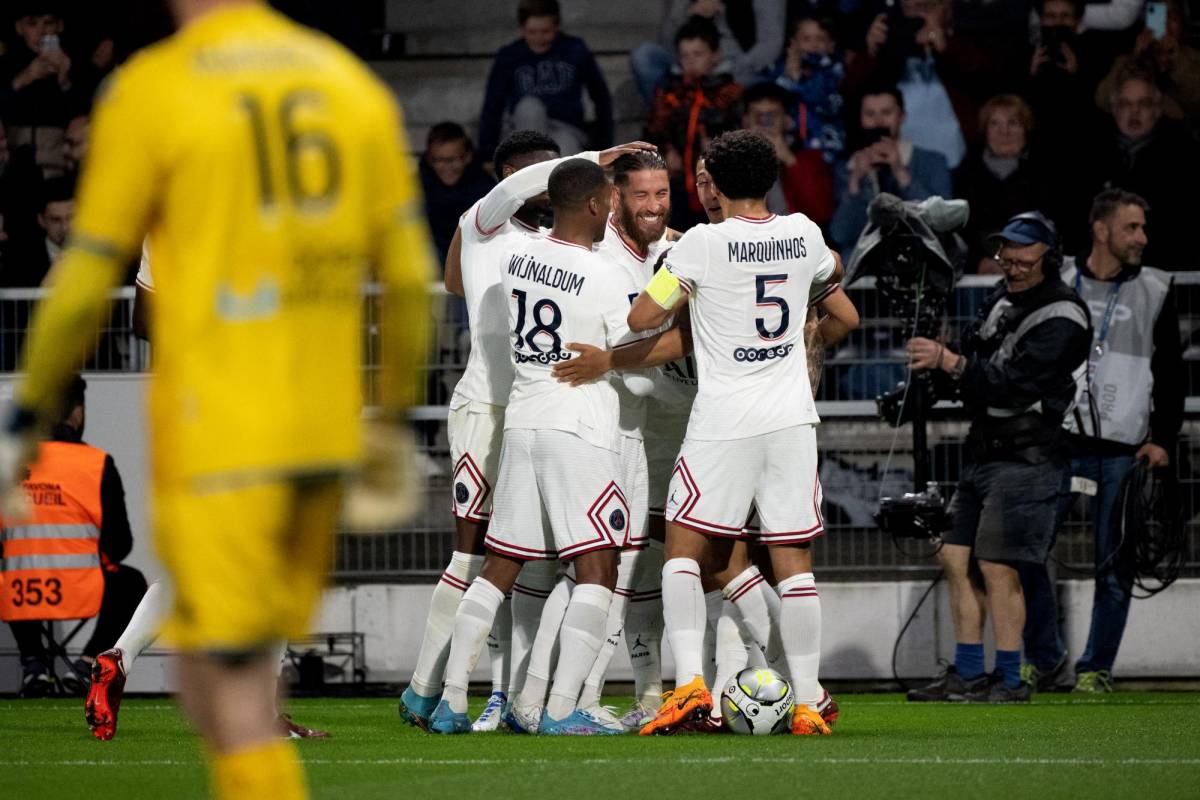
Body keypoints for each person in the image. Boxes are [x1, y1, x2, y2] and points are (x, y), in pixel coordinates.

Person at [0, 4, 433, 800]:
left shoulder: (156, 90)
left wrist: (26, 414)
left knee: (219, 687)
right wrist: (392, 416)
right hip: (319, 414)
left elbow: (92, 272)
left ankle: (164, 683)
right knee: (239, 631)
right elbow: (408, 282)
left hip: (219, 416)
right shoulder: (346, 84)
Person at [399, 134, 652, 733]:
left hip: (521, 418)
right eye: (610, 198)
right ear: (595, 205)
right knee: (597, 567)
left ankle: (453, 699)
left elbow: (465, 281)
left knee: (499, 564)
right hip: (572, 424)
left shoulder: (519, 257)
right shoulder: (594, 269)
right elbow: (633, 353)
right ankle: (561, 711)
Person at [627, 130, 843, 736]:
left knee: (684, 554)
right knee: (794, 562)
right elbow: (835, 276)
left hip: (723, 422)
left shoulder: (700, 243)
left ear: (714, 185)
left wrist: (678, 286)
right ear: (770, 180)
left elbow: (642, 316)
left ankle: (691, 687)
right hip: (791, 421)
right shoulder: (803, 234)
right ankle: (807, 702)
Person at [904, 211, 1091, 703]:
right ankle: (968, 672)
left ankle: (1011, 677)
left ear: (1049, 258)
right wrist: (940, 366)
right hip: (984, 450)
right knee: (955, 557)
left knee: (999, 566)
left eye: (1024, 254)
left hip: (1027, 457)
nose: (1012, 262)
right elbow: (974, 360)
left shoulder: (1063, 315)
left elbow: (1012, 385)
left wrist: (949, 361)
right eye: (1007, 253)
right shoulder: (1000, 299)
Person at [1020, 189, 1183, 694]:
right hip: (1058, 442)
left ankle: (1096, 668)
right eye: (1132, 227)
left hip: (1124, 448)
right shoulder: (1059, 278)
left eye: (1142, 228)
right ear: (1101, 230)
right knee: (1029, 553)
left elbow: (1172, 373)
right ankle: (1045, 658)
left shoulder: (1155, 288)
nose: (1142, 238)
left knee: (1116, 565)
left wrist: (1163, 439)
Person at [1, 375, 146, 698]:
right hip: (82, 589)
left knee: (8, 571)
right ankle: (86, 664)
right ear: (77, 414)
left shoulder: (9, 463)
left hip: (17, 592)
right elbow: (120, 545)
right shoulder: (96, 464)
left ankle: (33, 664)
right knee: (132, 583)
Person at [1090, 66, 1199, 269]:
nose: (1134, 111)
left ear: (1157, 109)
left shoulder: (1184, 156)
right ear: (1114, 110)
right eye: (1125, 104)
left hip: (1163, 270)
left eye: (1144, 103)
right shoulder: (1092, 155)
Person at [477, 0, 613, 162]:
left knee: (567, 150)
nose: (539, 38)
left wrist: (604, 143)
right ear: (522, 29)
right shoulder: (509, 56)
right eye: (532, 32)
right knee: (530, 108)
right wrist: (487, 150)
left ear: (557, 27)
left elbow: (600, 95)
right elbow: (493, 104)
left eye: (545, 31)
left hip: (566, 127)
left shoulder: (574, 50)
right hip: (523, 127)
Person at [829, 84, 951, 259]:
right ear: (860, 119)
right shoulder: (845, 168)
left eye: (886, 113)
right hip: (865, 265)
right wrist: (855, 182)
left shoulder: (933, 162)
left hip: (918, 260)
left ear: (902, 116)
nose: (878, 121)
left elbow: (942, 222)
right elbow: (840, 234)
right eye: (870, 114)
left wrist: (900, 172)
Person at [645, 15, 743, 229]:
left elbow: (739, 133)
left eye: (698, 54)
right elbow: (653, 129)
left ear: (715, 55)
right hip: (676, 181)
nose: (690, 60)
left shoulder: (730, 93)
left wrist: (718, 149)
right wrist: (667, 149)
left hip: (719, 181)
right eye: (685, 55)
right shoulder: (670, 92)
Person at [953, 95, 1048, 273]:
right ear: (985, 130)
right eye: (995, 124)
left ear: (1025, 129)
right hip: (979, 273)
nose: (1004, 132)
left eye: (1013, 123)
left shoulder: (1043, 174)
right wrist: (979, 262)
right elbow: (959, 231)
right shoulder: (966, 174)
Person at [630, 0, 786, 104]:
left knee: (763, 87)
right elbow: (666, 44)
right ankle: (666, 121)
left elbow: (771, 44)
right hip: (687, 63)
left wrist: (728, 72)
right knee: (644, 55)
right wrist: (688, 12)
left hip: (737, 68)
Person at [740, 82, 834, 225]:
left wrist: (790, 160)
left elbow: (822, 212)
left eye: (772, 115)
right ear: (745, 121)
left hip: (792, 241)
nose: (765, 124)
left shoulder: (809, 158)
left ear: (787, 121)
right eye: (758, 116)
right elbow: (702, 206)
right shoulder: (730, 157)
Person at [1095, 1, 1200, 124]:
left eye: (1172, 16)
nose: (1165, 24)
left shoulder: (1194, 58)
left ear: (1182, 24)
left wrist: (1177, 60)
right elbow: (1104, 102)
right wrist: (1134, 60)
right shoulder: (1130, 60)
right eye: (1157, 16)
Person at [768, 15, 846, 161]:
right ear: (793, 43)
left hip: (825, 146)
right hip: (790, 144)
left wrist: (796, 81)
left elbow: (826, 103)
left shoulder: (834, 71)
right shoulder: (779, 68)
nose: (814, 44)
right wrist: (789, 76)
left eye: (820, 39)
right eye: (806, 39)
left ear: (831, 44)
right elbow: (771, 99)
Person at [419, 122, 494, 265]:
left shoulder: (486, 190)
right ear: (429, 159)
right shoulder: (416, 189)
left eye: (453, 159)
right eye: (439, 160)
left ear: (468, 157)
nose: (447, 167)